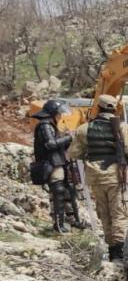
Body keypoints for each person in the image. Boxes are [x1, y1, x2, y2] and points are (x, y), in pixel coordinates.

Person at [68, 94, 128, 260]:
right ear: (115, 109)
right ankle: (119, 252)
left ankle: (111, 248)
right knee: (120, 214)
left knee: (105, 213)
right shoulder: (123, 127)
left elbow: (73, 153)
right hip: (117, 176)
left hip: (95, 177)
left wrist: (90, 152)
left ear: (97, 108)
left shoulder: (84, 129)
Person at [32, 99, 80, 233]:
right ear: (53, 113)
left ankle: (72, 221)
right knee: (58, 192)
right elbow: (51, 144)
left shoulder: (51, 124)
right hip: (51, 163)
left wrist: (66, 139)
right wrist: (69, 137)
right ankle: (58, 224)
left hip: (58, 162)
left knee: (67, 191)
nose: (61, 115)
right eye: (59, 113)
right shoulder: (45, 125)